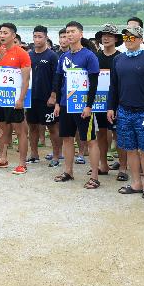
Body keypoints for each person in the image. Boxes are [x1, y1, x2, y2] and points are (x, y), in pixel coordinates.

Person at [107, 24, 144, 200]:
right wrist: (110, 107)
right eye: (126, 38)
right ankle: (136, 182)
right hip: (124, 111)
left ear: (139, 39)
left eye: (132, 38)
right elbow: (113, 86)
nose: (128, 41)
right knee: (130, 149)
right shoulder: (118, 60)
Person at [50, 21, 100, 187]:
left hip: (83, 105)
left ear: (81, 34)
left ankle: (94, 176)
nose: (69, 35)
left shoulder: (89, 56)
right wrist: (57, 103)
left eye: (73, 31)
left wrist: (89, 105)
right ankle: (68, 171)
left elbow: (94, 83)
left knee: (90, 141)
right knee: (67, 138)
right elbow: (58, 81)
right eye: (67, 32)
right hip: (65, 104)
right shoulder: (64, 57)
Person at [0, 22, 32, 174]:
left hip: (14, 100)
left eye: (5, 33)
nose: (1, 36)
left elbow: (26, 80)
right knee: (1, 130)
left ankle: (22, 163)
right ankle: (2, 158)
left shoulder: (22, 54)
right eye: (0, 33)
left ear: (13, 36)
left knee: (20, 131)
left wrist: (21, 99)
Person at [93, 23, 122, 177]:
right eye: (104, 35)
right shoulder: (95, 57)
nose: (106, 38)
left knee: (119, 134)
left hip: (118, 102)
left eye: (110, 35)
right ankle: (103, 164)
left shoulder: (121, 57)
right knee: (101, 134)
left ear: (116, 38)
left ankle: (123, 167)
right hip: (99, 101)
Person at [27, 25, 58, 165]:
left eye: (40, 37)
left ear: (46, 37)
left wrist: (53, 95)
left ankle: (56, 156)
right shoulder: (29, 55)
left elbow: (57, 78)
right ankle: (34, 154)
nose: (37, 39)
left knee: (52, 128)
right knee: (32, 126)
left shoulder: (52, 56)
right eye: (35, 36)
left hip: (47, 98)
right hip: (31, 97)